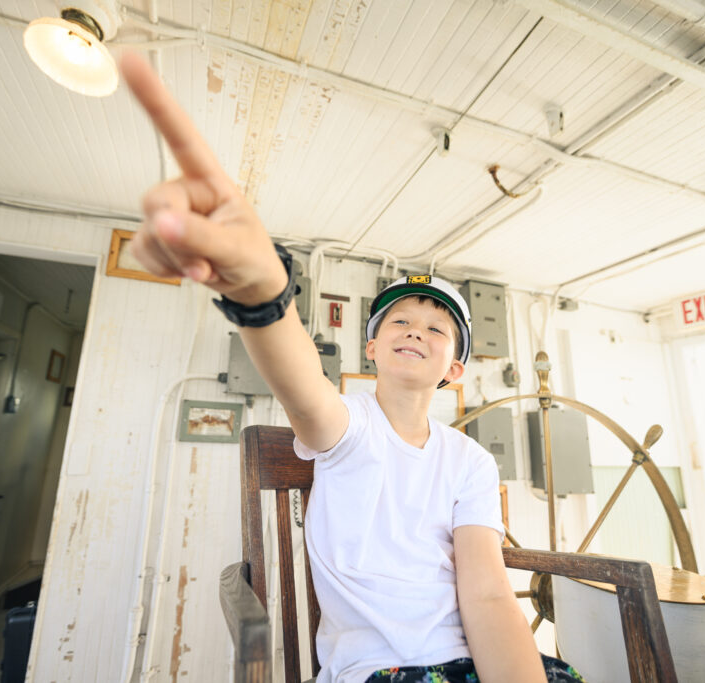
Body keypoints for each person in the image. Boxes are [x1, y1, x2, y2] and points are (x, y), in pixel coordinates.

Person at [119, 52, 584, 683]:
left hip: (472, 661)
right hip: (383, 670)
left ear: (457, 370)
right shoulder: (349, 427)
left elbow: (488, 594)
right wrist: (264, 293)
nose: (416, 330)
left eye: (437, 328)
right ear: (371, 350)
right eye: (399, 322)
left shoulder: (470, 462)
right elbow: (305, 389)